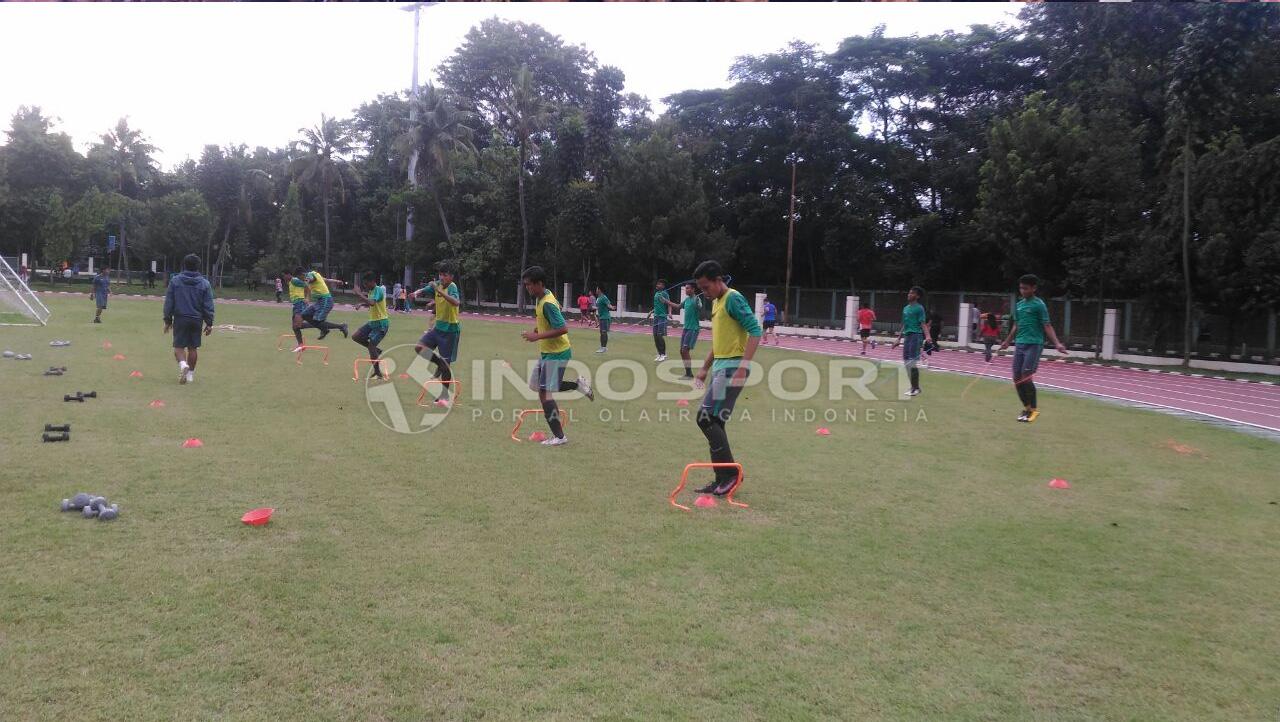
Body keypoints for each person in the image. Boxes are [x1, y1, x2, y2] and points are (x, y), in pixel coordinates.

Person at [691, 260, 761, 496]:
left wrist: (743, 366)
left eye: (706, 287)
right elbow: (719, 342)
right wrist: (703, 368)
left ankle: (732, 474)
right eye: (701, 288)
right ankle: (721, 478)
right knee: (715, 421)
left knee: (704, 417)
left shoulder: (733, 298)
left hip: (733, 368)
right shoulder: (718, 302)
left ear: (718, 280)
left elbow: (755, 330)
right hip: (721, 367)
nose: (704, 292)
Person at [519, 266, 593, 446]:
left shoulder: (547, 303)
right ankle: (577, 386)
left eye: (529, 285)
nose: (527, 288)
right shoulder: (541, 297)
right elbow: (550, 321)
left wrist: (537, 336)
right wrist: (539, 329)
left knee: (545, 393)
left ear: (539, 284)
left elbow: (562, 328)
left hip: (557, 353)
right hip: (548, 352)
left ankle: (560, 437)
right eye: (525, 285)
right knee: (537, 385)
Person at [999, 274, 1068, 423]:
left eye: (1025, 288)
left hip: (1034, 344)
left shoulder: (1039, 305)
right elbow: (1016, 326)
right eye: (1020, 288)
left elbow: (1047, 325)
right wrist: (1007, 342)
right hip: (1020, 344)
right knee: (1016, 378)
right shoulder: (1019, 305)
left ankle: (1034, 409)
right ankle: (1026, 408)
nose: (1022, 291)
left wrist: (1057, 343)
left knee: (1026, 375)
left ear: (1034, 288)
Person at [409, 264, 462, 402]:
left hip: (450, 330)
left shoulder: (452, 287)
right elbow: (427, 288)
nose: (442, 277)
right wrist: (416, 293)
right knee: (419, 347)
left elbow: (456, 302)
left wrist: (440, 293)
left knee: (446, 364)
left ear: (451, 276)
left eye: (445, 275)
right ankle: (439, 363)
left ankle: (444, 396)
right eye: (441, 275)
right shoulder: (438, 284)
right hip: (438, 328)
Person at [163, 254, 215, 385]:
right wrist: (209, 323)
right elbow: (208, 304)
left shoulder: (175, 281)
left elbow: (169, 302)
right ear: (198, 266)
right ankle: (190, 375)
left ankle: (182, 365)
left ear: (184, 265)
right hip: (196, 319)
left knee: (178, 347)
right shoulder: (205, 283)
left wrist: (167, 320)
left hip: (180, 318)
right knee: (193, 348)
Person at [893, 286, 931, 397]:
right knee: (906, 362)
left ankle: (916, 388)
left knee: (911, 362)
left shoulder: (919, 308)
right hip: (907, 336)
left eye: (912, 293)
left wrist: (928, 336)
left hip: (916, 336)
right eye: (909, 292)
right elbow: (905, 324)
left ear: (917, 296)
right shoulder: (905, 308)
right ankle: (913, 387)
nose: (909, 294)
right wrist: (898, 338)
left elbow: (923, 323)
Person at [352, 272, 390, 380]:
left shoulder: (379, 290)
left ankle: (378, 373)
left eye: (366, 283)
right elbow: (370, 302)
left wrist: (359, 294)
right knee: (356, 337)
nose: (365, 285)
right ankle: (377, 351)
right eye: (364, 284)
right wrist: (361, 304)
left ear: (373, 282)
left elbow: (373, 303)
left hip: (381, 324)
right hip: (372, 323)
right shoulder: (371, 291)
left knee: (371, 346)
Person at [298, 267, 348, 340]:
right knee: (305, 315)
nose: (300, 279)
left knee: (317, 321)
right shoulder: (317, 274)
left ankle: (339, 326)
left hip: (325, 300)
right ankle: (324, 328)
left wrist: (306, 282)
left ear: (302, 274)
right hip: (319, 301)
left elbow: (310, 279)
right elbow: (326, 280)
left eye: (299, 277)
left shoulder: (310, 275)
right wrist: (337, 281)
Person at [645, 278, 680, 362]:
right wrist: (651, 312)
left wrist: (670, 313)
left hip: (662, 317)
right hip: (656, 317)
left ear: (663, 286)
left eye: (659, 284)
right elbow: (657, 305)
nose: (657, 285)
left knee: (659, 335)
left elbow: (669, 304)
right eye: (657, 284)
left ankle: (663, 354)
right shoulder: (657, 293)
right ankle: (659, 353)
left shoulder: (664, 293)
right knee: (655, 336)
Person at [678, 283, 703, 378]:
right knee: (681, 351)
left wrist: (697, 302)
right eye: (685, 288)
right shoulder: (687, 299)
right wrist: (666, 301)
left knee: (685, 350)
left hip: (693, 329)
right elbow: (678, 306)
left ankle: (689, 374)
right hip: (686, 328)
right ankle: (688, 373)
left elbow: (700, 307)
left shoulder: (697, 299)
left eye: (687, 288)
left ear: (693, 289)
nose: (686, 290)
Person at [593, 284, 615, 353]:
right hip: (601, 317)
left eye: (597, 289)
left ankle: (603, 348)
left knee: (603, 333)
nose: (596, 290)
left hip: (605, 317)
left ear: (599, 290)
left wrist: (612, 307)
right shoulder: (598, 298)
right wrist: (594, 308)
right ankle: (602, 347)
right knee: (602, 333)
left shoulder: (604, 297)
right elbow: (599, 307)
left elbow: (608, 305)